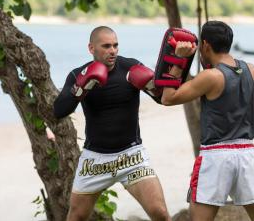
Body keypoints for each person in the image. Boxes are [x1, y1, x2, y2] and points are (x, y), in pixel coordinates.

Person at [54, 26, 170, 221]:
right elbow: (59, 110)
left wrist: (153, 85)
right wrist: (81, 87)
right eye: (106, 46)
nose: (113, 50)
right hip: (95, 160)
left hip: (131, 157)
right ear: (91, 48)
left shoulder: (131, 68)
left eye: (115, 45)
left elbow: (162, 99)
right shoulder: (77, 74)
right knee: (76, 217)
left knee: (160, 213)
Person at [161, 21, 254, 221]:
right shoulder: (252, 70)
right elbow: (249, 105)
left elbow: (168, 98)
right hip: (246, 153)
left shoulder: (211, 77)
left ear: (205, 45)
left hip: (216, 156)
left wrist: (178, 60)